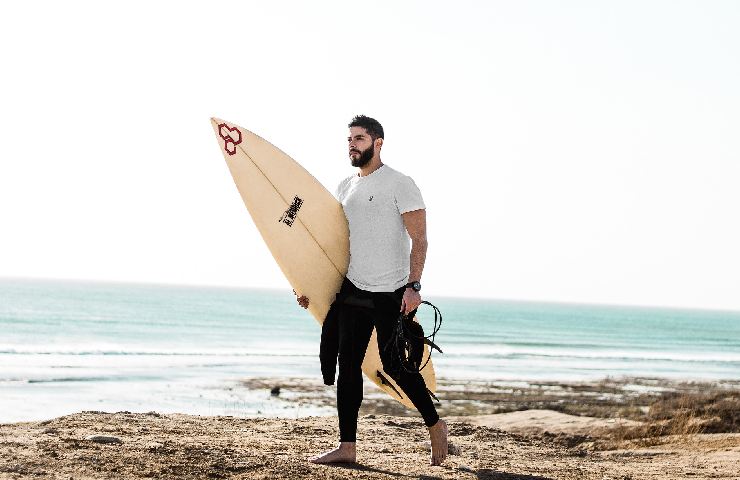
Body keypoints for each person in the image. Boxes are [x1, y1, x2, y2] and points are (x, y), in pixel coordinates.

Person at [295, 115, 448, 466]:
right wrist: (310, 287)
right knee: (347, 366)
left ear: (378, 143)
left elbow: (420, 240)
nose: (352, 144)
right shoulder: (344, 187)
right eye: (349, 139)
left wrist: (414, 286)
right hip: (353, 287)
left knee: (395, 365)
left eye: (360, 138)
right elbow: (332, 246)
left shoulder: (400, 183)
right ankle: (346, 446)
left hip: (391, 290)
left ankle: (435, 425)